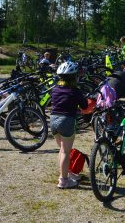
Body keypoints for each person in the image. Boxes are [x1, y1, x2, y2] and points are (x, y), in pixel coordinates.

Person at [50, 61, 88, 189]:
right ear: (75, 77)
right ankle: (64, 180)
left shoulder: (55, 89)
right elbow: (85, 106)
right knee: (66, 151)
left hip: (53, 120)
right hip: (66, 120)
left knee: (62, 150)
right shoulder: (75, 91)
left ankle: (65, 173)